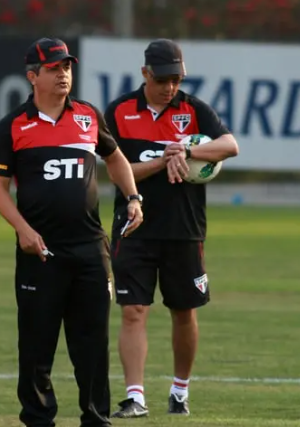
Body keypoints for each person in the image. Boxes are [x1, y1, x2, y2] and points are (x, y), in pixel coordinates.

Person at [0, 38, 144, 427]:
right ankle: (39, 420)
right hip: (40, 252)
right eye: (54, 68)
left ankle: (96, 418)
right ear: (32, 76)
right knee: (37, 347)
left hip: (91, 250)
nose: (63, 74)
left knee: (92, 346)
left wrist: (133, 198)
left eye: (67, 67)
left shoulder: (88, 116)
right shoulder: (14, 125)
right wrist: (23, 230)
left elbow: (116, 158)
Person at [104, 39, 240, 418]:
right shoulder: (118, 112)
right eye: (162, 79)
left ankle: (180, 391)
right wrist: (163, 161)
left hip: (185, 228)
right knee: (134, 310)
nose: (170, 87)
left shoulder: (194, 110)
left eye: (176, 79)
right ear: (145, 73)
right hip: (134, 225)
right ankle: (136, 398)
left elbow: (231, 145)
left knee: (184, 311)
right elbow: (115, 171)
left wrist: (187, 151)